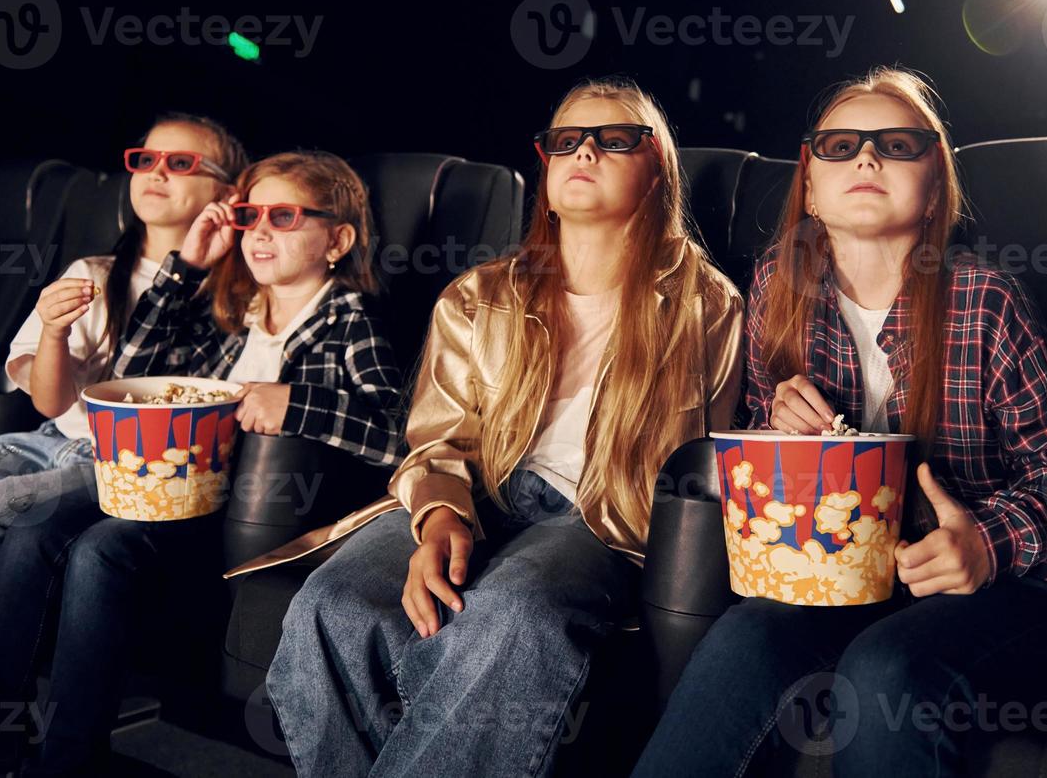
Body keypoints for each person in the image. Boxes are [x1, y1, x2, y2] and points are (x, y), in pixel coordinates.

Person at [631, 67, 1047, 777]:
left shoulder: (984, 298)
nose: (866, 158)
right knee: (745, 634)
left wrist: (986, 543)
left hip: (1011, 594)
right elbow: (774, 469)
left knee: (884, 667)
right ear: (811, 183)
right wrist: (773, 432)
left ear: (936, 181)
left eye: (897, 144)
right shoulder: (777, 287)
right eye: (841, 145)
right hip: (851, 582)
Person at [264, 78, 745, 777]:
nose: (585, 151)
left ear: (658, 172)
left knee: (516, 613)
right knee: (331, 603)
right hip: (478, 491)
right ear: (546, 168)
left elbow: (693, 468)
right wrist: (436, 519)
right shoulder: (478, 294)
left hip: (600, 517)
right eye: (565, 140)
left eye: (615, 139)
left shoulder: (706, 306)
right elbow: (438, 438)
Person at [0, 150, 404, 777]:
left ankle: (69, 763)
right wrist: (186, 267)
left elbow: (397, 434)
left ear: (338, 240)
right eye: (249, 216)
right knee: (30, 532)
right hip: (167, 488)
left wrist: (297, 404)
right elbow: (133, 376)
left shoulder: (350, 322)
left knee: (101, 549)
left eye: (284, 216)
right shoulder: (233, 318)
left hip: (252, 513)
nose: (259, 232)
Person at [0, 113, 244, 767]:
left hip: (111, 459)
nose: (155, 173)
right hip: (40, 440)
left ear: (227, 192)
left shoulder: (230, 293)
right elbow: (50, 403)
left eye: (181, 163)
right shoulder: (94, 270)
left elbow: (153, 410)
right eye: (145, 159)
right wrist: (52, 330)